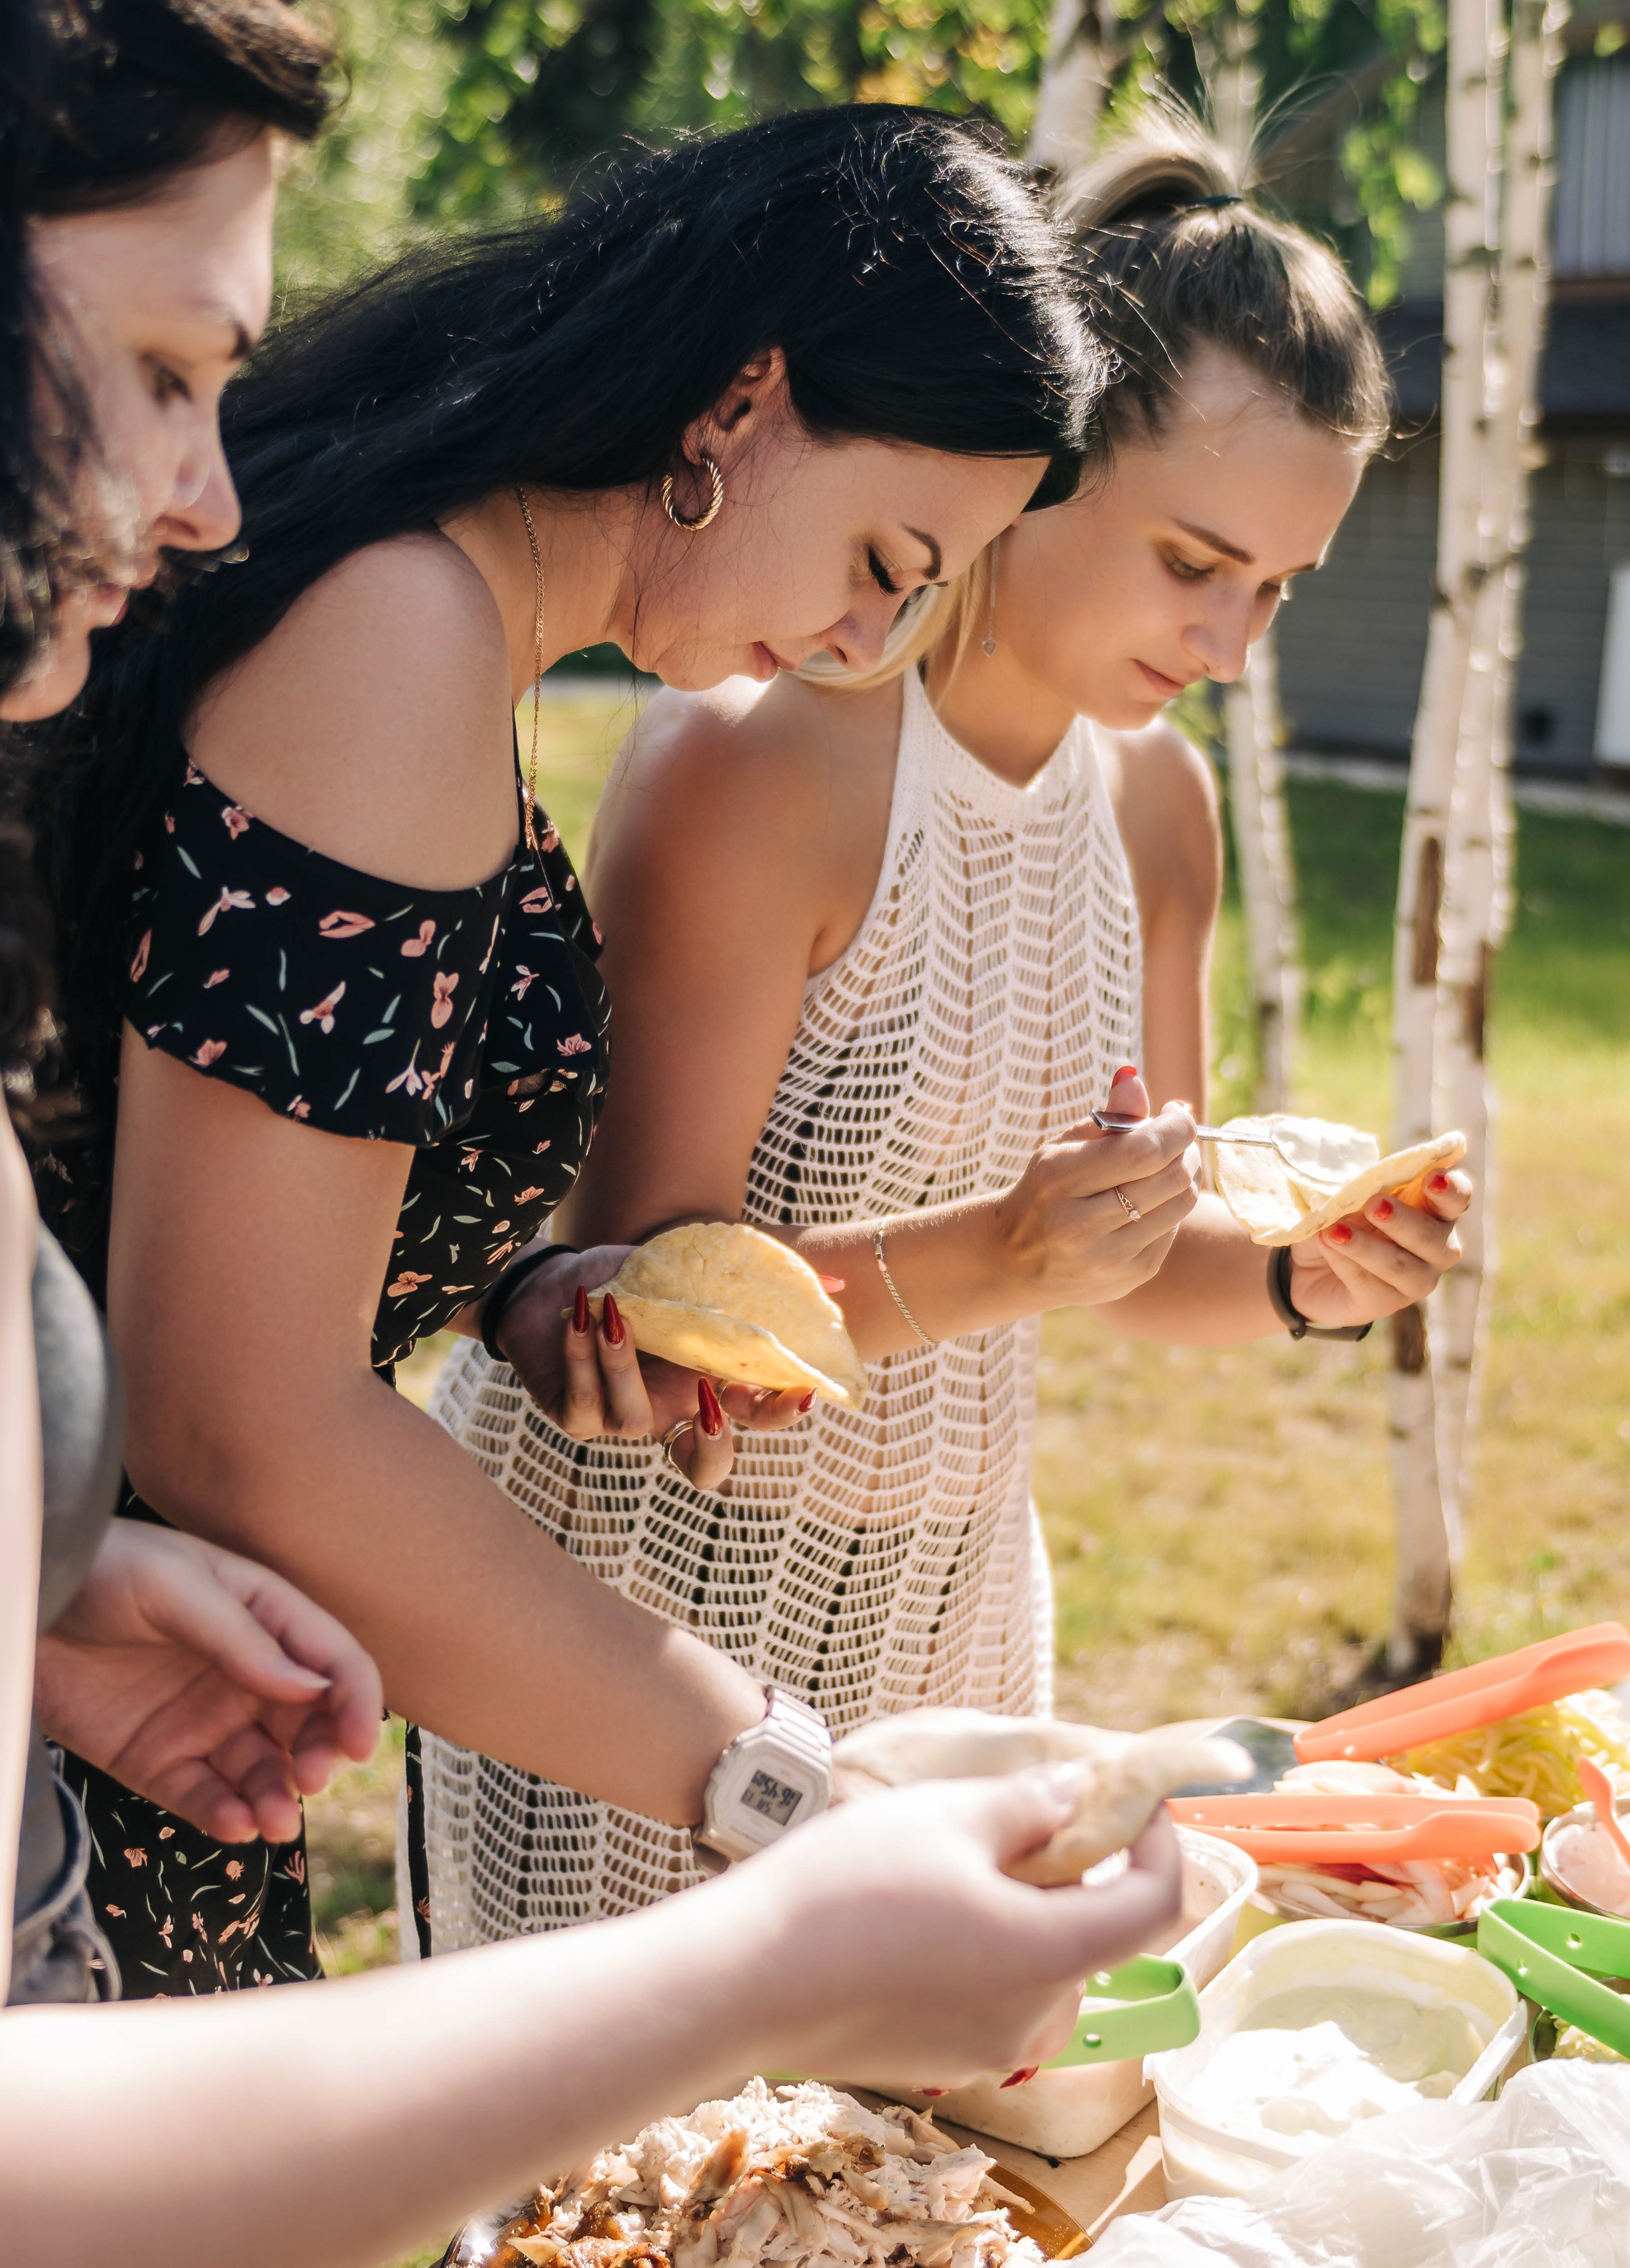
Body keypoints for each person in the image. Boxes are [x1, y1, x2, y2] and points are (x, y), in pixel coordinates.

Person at [0, 0, 1182, 2257]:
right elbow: (241, 1401)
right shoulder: (396, 632)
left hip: (136, 1682)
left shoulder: (452, 642)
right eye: (886, 552)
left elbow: (246, 1216)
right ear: (740, 408)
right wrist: (774, 1810)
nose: (868, 640)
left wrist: (538, 1287)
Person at [420, 117, 1474, 1943]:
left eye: (1279, 589)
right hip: (646, 1630)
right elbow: (649, 1310)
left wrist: (1312, 1276)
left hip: (955, 1628)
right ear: (1048, 464)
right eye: (1194, 562)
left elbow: (1122, 1269)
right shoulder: (765, 762)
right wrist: (1003, 1251)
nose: (1231, 643)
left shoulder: (1159, 816)